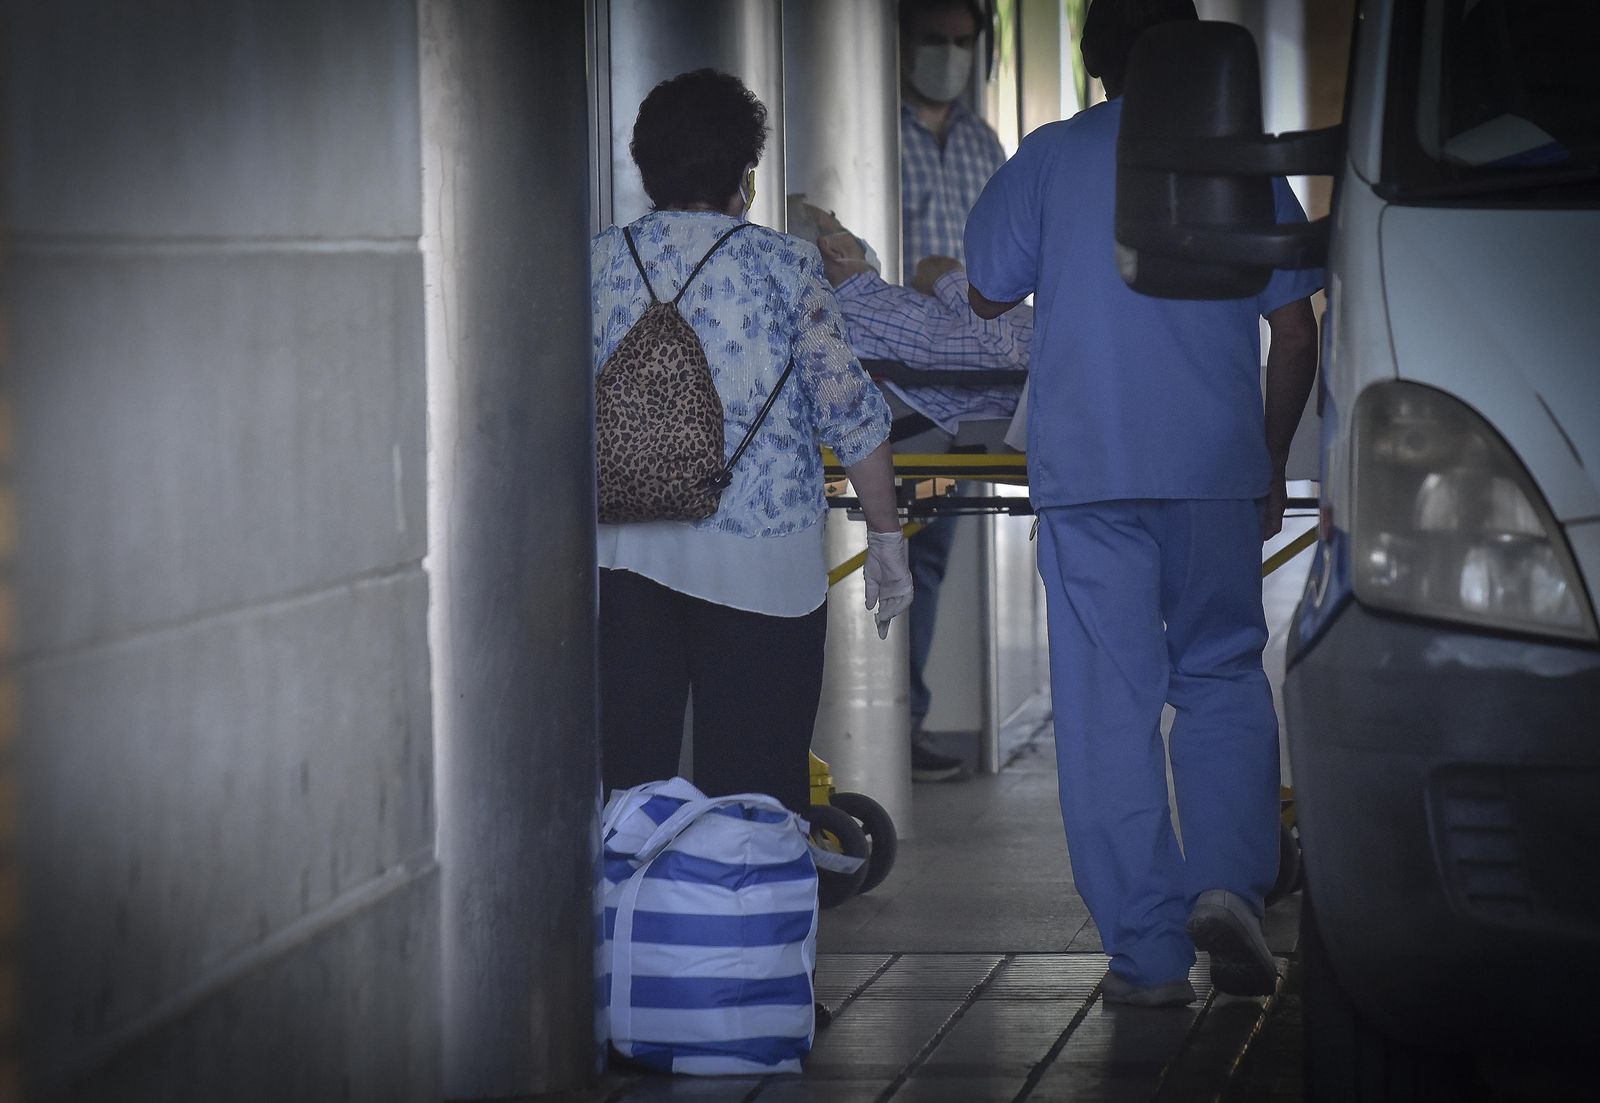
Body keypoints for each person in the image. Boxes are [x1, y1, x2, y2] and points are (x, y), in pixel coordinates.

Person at [964, 0, 1322, 1006]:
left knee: (1107, 706)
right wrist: (1265, 458)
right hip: (1212, 467)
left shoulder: (1052, 152)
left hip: (1090, 476)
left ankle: (1149, 957)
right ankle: (1229, 887)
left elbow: (986, 289)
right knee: (1217, 673)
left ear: (1094, 63)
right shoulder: (1241, 163)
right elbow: (1295, 332)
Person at [591, 70, 911, 817]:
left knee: (627, 795)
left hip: (625, 562)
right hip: (763, 571)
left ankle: (642, 928)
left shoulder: (600, 263)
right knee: (759, 797)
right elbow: (850, 413)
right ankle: (749, 926)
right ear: (746, 172)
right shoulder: (785, 264)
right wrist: (888, 540)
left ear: (646, 168)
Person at [898, 0, 1010, 780]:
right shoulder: (870, 127)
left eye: (962, 42)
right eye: (933, 40)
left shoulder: (983, 142)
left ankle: (905, 723)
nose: (949, 54)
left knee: (928, 553)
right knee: (866, 540)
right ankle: (858, 724)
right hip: (878, 376)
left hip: (961, 381)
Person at [787, 197, 1031, 436]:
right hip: (1053, 380)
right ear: (833, 249)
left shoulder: (869, 308)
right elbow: (997, 352)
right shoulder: (871, 310)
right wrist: (946, 277)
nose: (853, 235)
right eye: (838, 225)